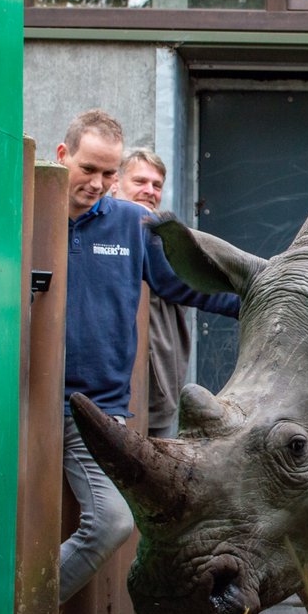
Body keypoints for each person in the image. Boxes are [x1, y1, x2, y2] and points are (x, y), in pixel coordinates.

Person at [56, 109, 240, 605]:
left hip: (95, 409)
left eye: (108, 173)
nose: (98, 183)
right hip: (20, 402)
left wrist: (257, 298)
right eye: (89, 169)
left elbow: (187, 281)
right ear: (62, 157)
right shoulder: (24, 216)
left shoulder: (133, 224)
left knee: (113, 522)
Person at [112, 148, 191, 439]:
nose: (149, 191)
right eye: (140, 182)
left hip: (158, 394)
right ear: (115, 184)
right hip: (107, 393)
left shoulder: (171, 241)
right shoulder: (99, 234)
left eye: (156, 185)